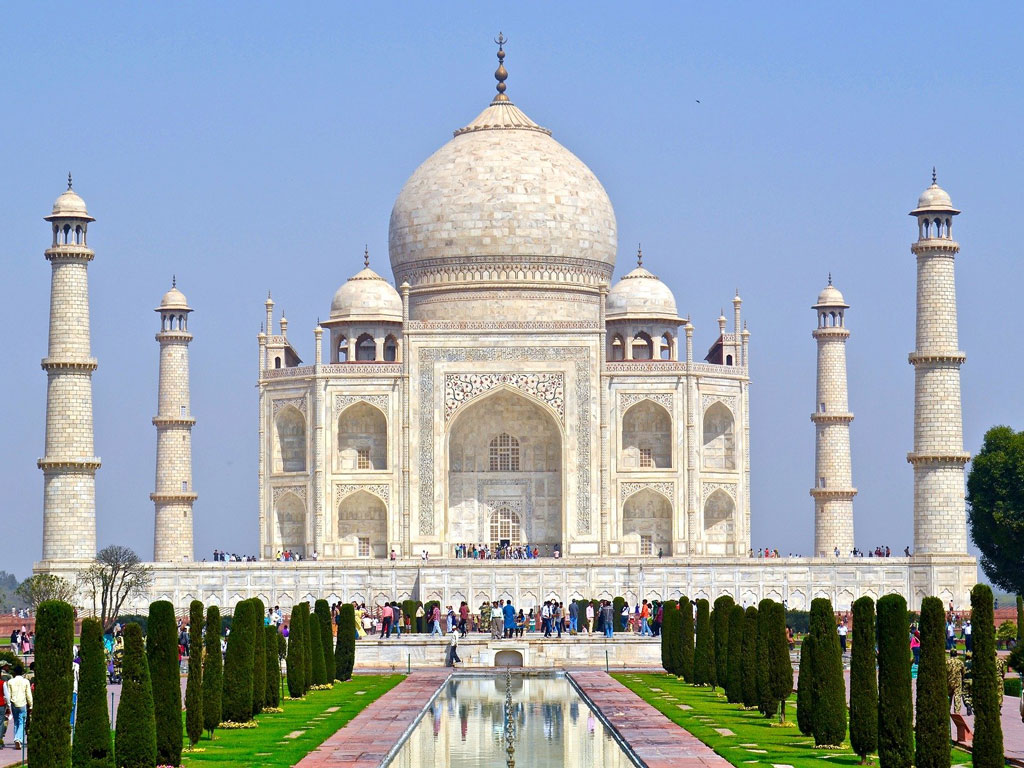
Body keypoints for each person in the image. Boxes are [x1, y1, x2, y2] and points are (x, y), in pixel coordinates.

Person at [4, 662, 31, 751]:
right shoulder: (26, 681)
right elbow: (28, 694)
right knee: (22, 722)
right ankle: (18, 739)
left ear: (14, 673)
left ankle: (17, 738)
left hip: (14, 704)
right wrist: (31, 705)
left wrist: (8, 706)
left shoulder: (11, 681)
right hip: (22, 703)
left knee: (16, 722)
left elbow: (9, 694)